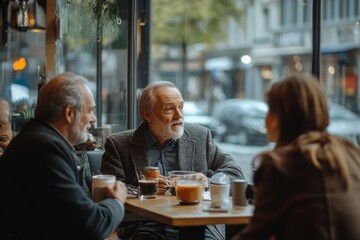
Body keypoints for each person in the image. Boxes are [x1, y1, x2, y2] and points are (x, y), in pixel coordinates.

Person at [101, 80, 245, 240]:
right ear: (147, 114)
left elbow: (234, 172)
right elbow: (108, 190)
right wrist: (144, 188)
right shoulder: (119, 144)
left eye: (181, 107)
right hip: (146, 222)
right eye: (169, 109)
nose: (179, 115)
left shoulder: (200, 136)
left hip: (199, 221)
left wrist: (208, 182)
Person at [232, 73, 360, 240]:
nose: (265, 120)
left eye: (270, 110)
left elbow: (255, 235)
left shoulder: (280, 166)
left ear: (281, 117)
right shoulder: (349, 152)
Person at [0, 72, 127, 240]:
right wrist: (117, 201)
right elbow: (92, 226)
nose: (94, 119)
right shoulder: (45, 149)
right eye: (90, 111)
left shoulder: (35, 138)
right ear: (69, 113)